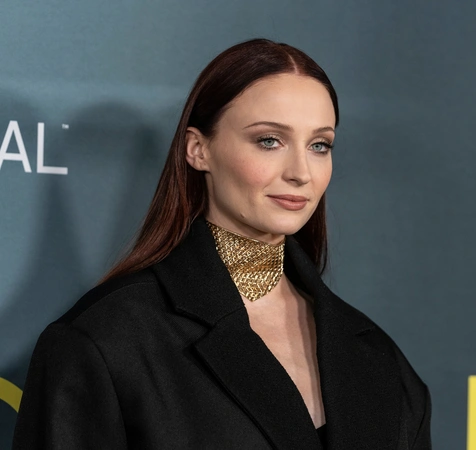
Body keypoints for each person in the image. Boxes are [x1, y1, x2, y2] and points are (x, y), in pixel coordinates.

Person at [12, 38, 432, 449]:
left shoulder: (380, 359)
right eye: (269, 140)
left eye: (319, 145)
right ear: (198, 149)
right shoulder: (105, 341)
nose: (301, 172)